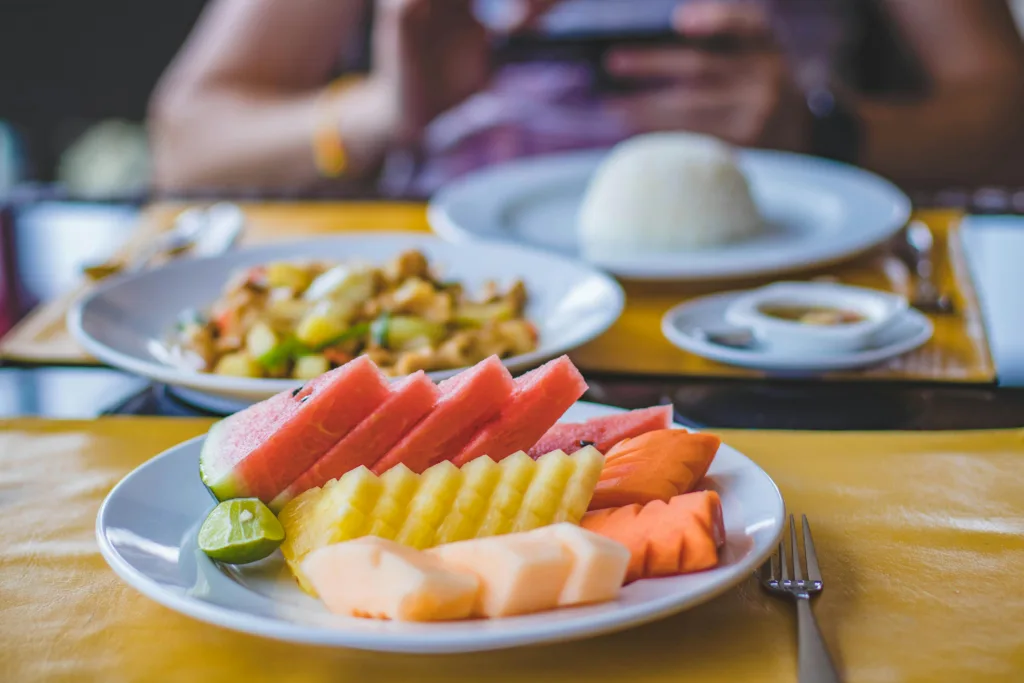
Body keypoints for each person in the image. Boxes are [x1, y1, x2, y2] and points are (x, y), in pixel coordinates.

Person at [149, 0, 1024, 196]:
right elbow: (187, 141)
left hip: (773, 295)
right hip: (470, 310)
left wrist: (819, 129)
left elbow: (1005, 120)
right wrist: (383, 110)